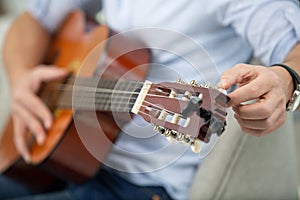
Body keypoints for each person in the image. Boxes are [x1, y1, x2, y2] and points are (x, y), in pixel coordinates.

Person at [1, 0, 300, 199]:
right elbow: (33, 20)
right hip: (68, 159)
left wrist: (286, 79)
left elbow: (294, 47)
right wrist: (21, 80)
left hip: (141, 187)